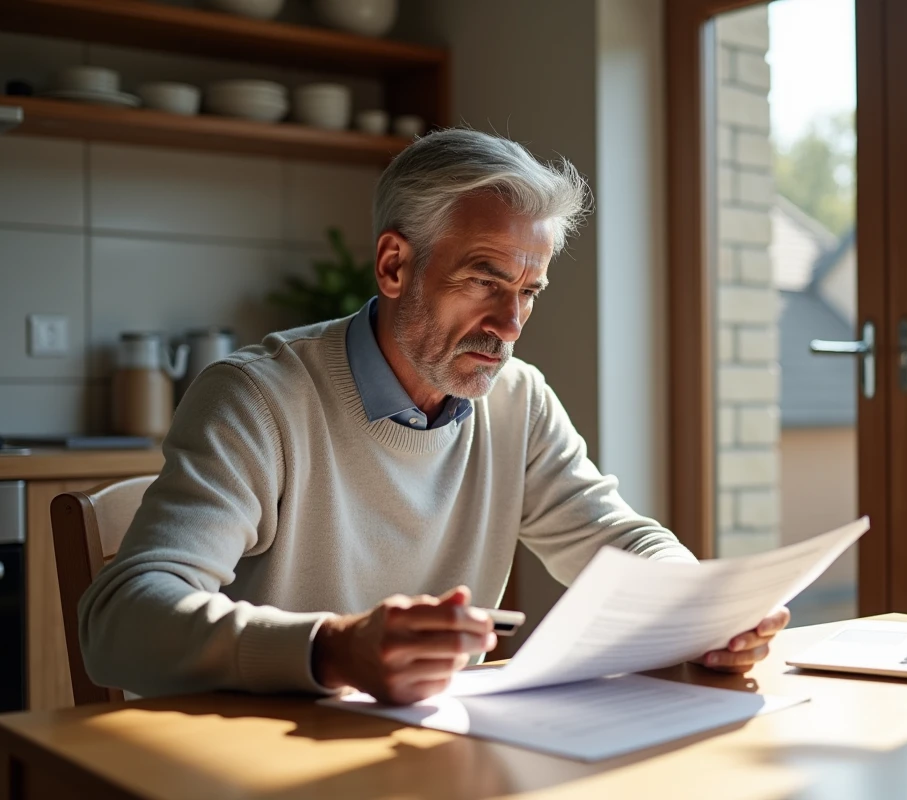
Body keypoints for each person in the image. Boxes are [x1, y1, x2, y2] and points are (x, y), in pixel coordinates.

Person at [79, 128, 789, 706]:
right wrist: (331, 648)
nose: (510, 325)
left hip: (430, 756)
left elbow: (615, 538)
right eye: (484, 279)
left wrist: (703, 610)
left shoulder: (517, 400)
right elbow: (119, 622)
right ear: (394, 266)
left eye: (529, 291)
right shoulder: (257, 399)